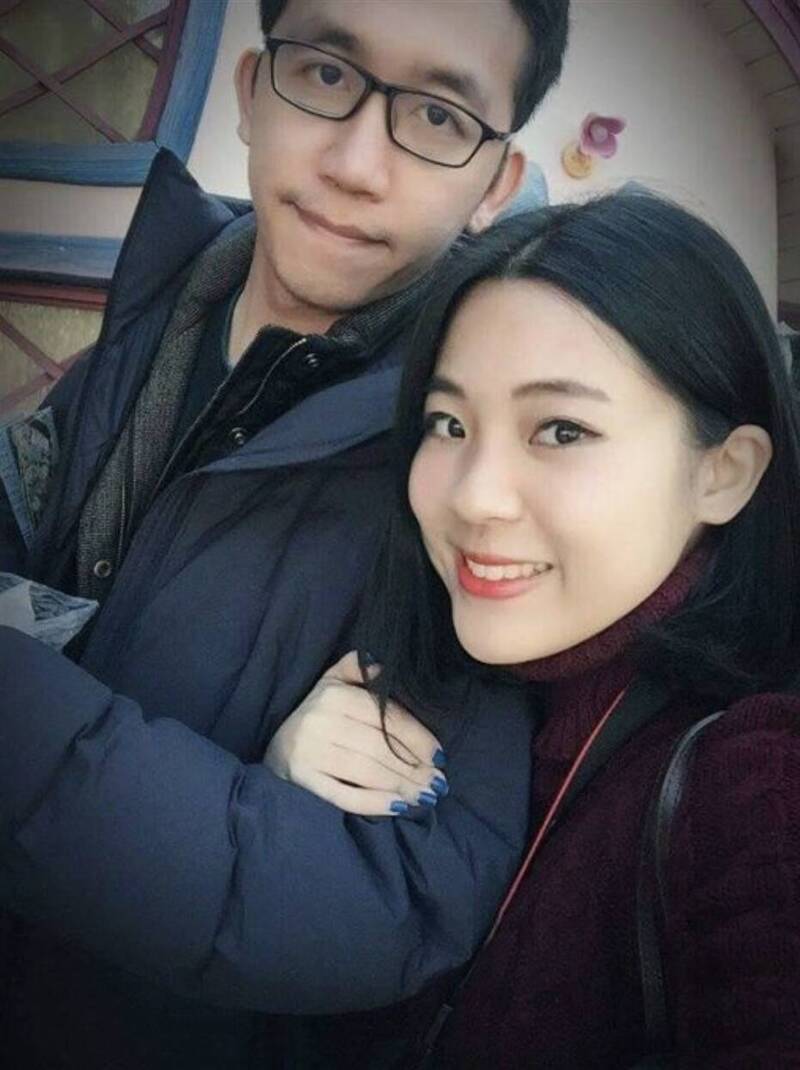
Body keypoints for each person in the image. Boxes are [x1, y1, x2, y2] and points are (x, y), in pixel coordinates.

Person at [0, 2, 570, 1068]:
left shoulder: (471, 473)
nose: (356, 164)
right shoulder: (158, 314)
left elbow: (404, 893)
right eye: (325, 74)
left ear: (495, 183)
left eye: (438, 116)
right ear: (250, 90)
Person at [330, 190, 800, 1066]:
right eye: (449, 423)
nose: (474, 495)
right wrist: (298, 795)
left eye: (561, 429)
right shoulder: (441, 685)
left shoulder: (754, 783)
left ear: (724, 474)